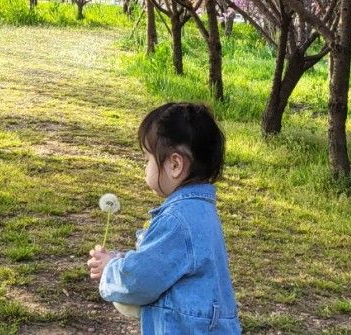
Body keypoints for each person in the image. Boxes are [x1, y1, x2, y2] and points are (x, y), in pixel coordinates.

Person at [86, 102, 242, 333]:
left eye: (147, 159)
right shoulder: (200, 212)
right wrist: (119, 258)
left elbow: (140, 281)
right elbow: (162, 263)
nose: (145, 168)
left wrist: (111, 269)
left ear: (175, 164)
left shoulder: (178, 220)